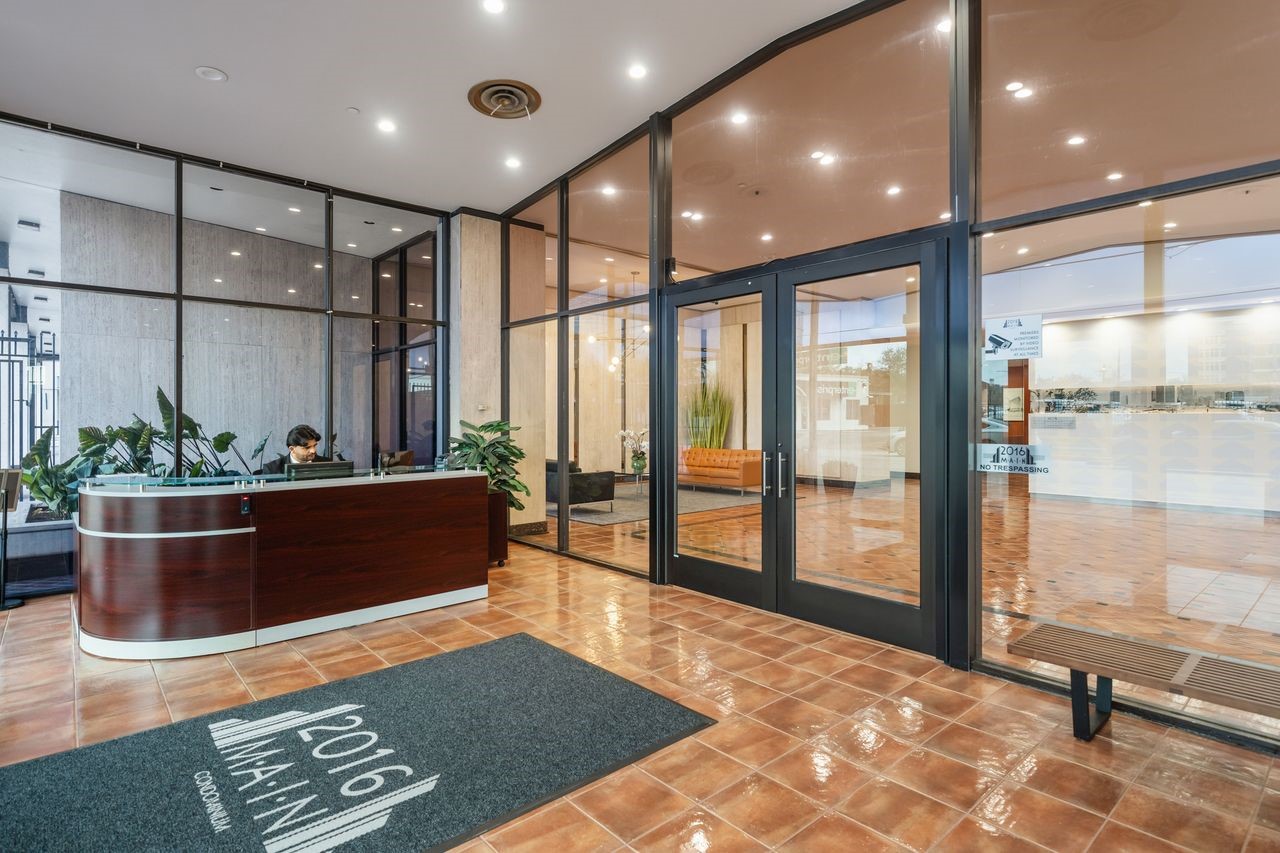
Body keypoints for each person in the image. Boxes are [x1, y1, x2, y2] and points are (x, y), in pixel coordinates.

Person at [259, 425, 329, 475]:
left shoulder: (327, 464)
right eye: (307, 447)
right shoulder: (272, 470)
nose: (313, 450)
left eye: (314, 445)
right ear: (292, 449)